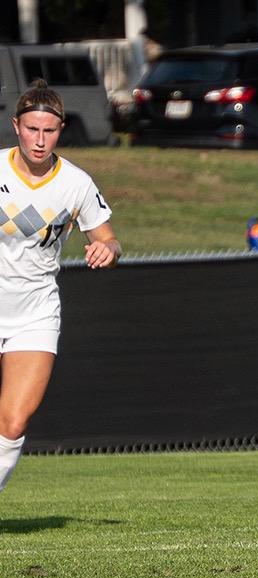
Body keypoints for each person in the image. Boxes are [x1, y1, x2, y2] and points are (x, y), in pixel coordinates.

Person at [0, 79, 121, 494]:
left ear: (61, 129)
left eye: (48, 130)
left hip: (34, 312)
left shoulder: (76, 183)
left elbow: (107, 237)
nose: (39, 139)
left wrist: (107, 249)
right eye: (32, 129)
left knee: (13, 421)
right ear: (16, 126)